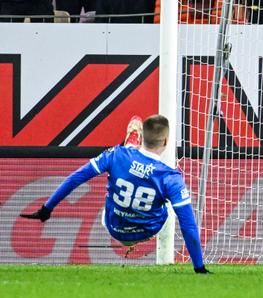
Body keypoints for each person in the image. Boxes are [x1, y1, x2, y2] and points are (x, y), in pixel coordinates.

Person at [19, 115, 210, 273]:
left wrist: (47, 208)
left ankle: (131, 148)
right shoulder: (171, 177)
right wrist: (199, 267)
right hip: (148, 230)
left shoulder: (114, 154)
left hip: (113, 226)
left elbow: (76, 178)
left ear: (143, 138)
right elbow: (188, 226)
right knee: (169, 207)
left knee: (114, 181)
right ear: (166, 142)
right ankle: (133, 153)